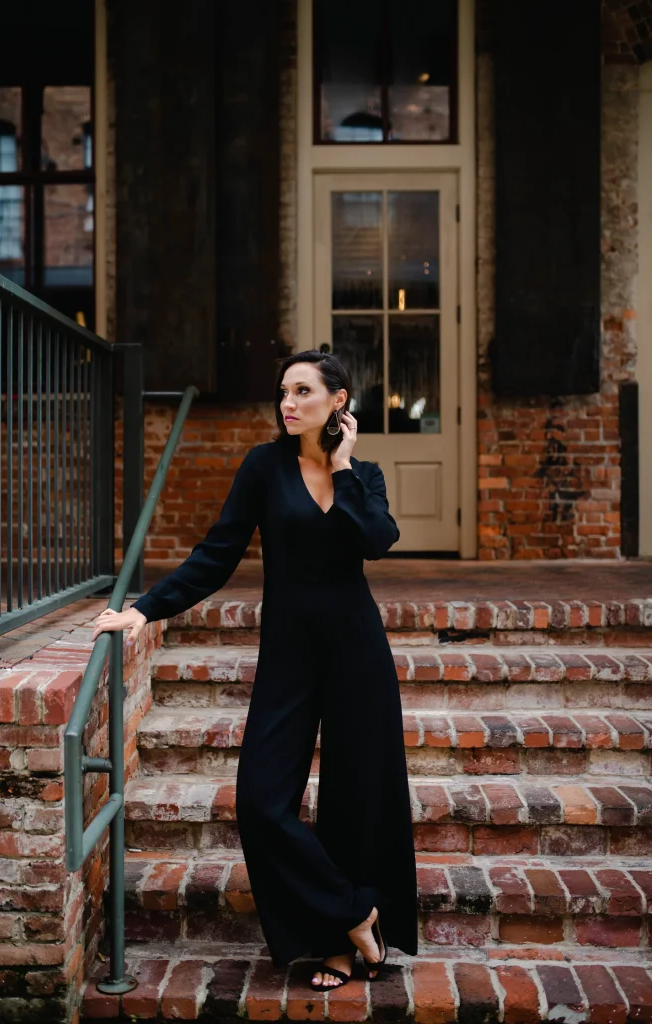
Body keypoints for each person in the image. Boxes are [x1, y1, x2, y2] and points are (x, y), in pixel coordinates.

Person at [92, 350, 419, 989]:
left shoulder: (364, 475)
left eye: (303, 391)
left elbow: (377, 540)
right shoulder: (264, 467)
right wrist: (146, 609)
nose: (287, 404)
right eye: (283, 392)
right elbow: (217, 553)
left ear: (339, 401)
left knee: (358, 797)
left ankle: (340, 947)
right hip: (290, 651)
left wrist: (344, 466)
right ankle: (353, 912)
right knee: (260, 801)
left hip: (356, 648)